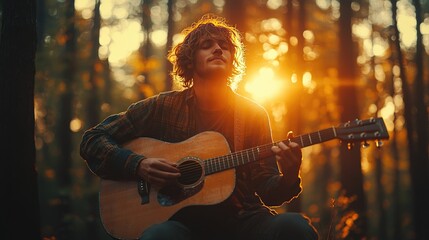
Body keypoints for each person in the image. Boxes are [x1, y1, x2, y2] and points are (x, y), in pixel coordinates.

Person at [80, 14, 319, 240]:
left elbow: (268, 190)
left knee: (295, 227)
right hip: (181, 222)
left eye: (225, 46)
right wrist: (138, 165)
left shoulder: (251, 114)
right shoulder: (163, 107)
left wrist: (289, 175)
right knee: (157, 237)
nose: (218, 49)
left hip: (241, 219)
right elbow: (93, 139)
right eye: (207, 45)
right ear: (190, 58)